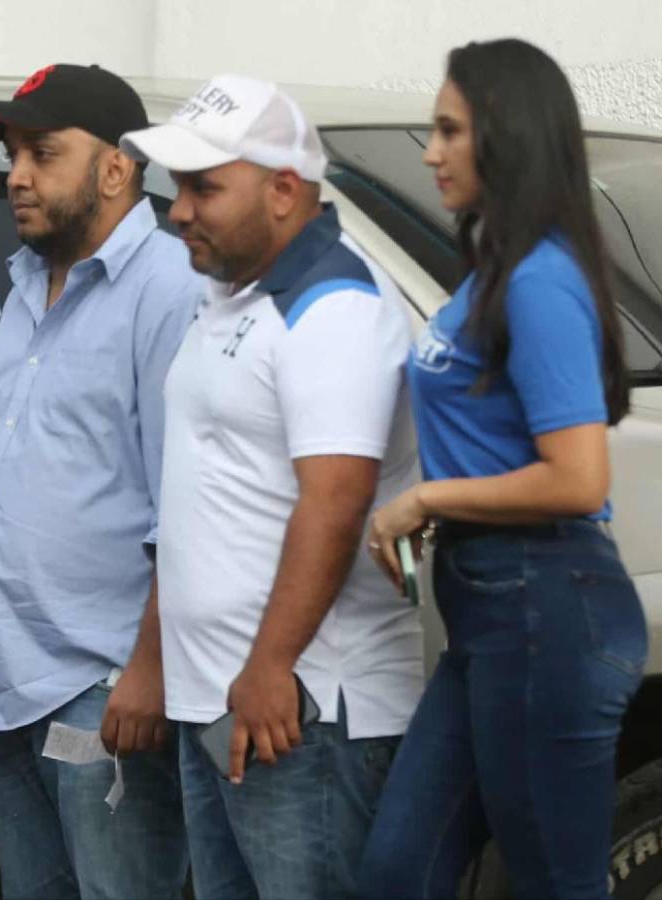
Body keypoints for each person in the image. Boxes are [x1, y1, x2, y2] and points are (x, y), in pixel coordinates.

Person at [356, 38, 646, 900]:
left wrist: (424, 500)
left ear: (509, 137)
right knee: (399, 876)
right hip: (492, 609)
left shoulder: (539, 280)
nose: (429, 152)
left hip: (545, 607)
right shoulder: (497, 273)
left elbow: (579, 477)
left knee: (557, 885)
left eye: (448, 131)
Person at [120, 75, 423, 899]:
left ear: (285, 190)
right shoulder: (228, 296)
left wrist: (269, 666)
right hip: (224, 698)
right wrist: (153, 661)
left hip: (300, 709)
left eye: (204, 188)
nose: (178, 209)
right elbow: (197, 496)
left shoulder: (335, 309)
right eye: (178, 187)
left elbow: (336, 500)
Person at [0, 63, 200, 900]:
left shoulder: (168, 288)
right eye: (13, 154)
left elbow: (187, 506)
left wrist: (149, 671)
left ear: (117, 169)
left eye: (43, 153)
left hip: (103, 684)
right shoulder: (23, 284)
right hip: (4, 675)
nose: (16, 175)